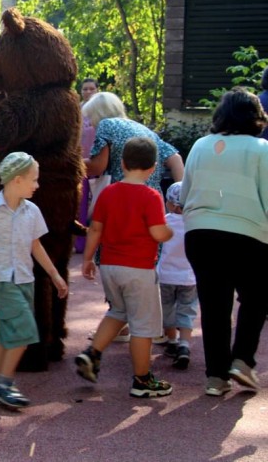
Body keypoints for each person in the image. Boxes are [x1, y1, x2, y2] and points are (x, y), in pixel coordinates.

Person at [0, 152, 68, 409]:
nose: (37, 185)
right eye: (34, 180)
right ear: (17, 180)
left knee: (9, 332)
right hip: (0, 277)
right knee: (24, 330)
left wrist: (54, 275)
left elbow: (35, 245)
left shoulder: (32, 211)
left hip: (24, 278)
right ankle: (3, 383)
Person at [181, 87, 268, 396]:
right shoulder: (261, 149)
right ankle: (242, 359)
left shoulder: (200, 146)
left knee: (214, 305)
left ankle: (216, 377)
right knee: (257, 297)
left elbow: (185, 192)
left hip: (201, 234)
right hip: (248, 234)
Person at [75, 137, 174, 399]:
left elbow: (96, 228)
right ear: (153, 168)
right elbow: (157, 232)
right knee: (142, 326)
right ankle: (142, 379)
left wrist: (87, 259)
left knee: (118, 311)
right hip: (139, 269)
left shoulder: (108, 192)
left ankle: (92, 352)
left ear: (122, 162)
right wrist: (169, 232)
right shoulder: (151, 196)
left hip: (110, 265)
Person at [82, 92, 183, 195]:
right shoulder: (144, 130)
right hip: (152, 198)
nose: (90, 122)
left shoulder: (106, 124)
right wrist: (178, 197)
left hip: (124, 199)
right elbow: (175, 159)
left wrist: (70, 162)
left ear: (98, 114)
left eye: (90, 116)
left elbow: (97, 166)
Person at [156, 181, 198, 370]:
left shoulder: (164, 221)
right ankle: (184, 345)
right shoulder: (195, 224)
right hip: (189, 277)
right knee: (187, 309)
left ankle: (171, 341)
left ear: (171, 204)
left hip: (166, 275)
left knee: (167, 308)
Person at [76, 78, 99, 253]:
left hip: (99, 162)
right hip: (81, 163)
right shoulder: (77, 110)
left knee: (98, 203)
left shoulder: (102, 111)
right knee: (81, 203)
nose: (88, 92)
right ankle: (80, 243)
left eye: (92, 89)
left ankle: (99, 242)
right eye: (85, 89)